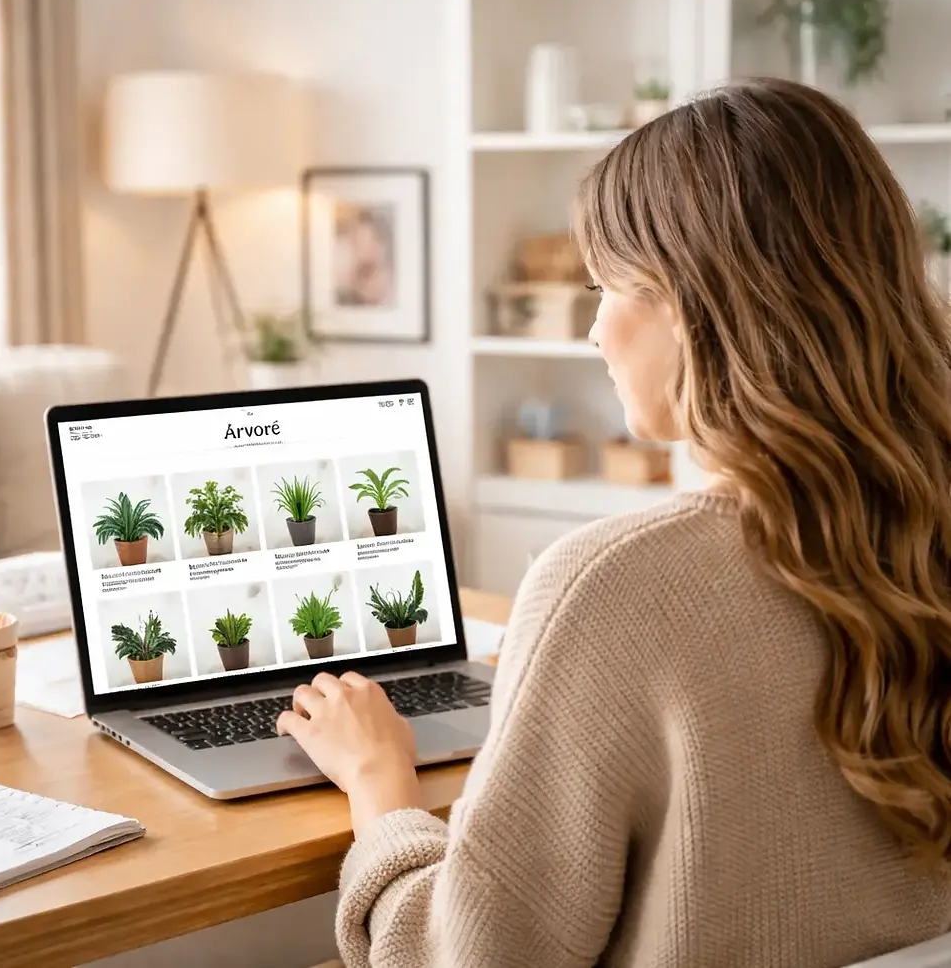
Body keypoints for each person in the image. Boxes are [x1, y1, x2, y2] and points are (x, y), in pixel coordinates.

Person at [277, 78, 951, 967]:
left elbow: (467, 959)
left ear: (695, 303)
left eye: (607, 286)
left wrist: (380, 786)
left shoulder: (614, 586)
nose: (594, 331)